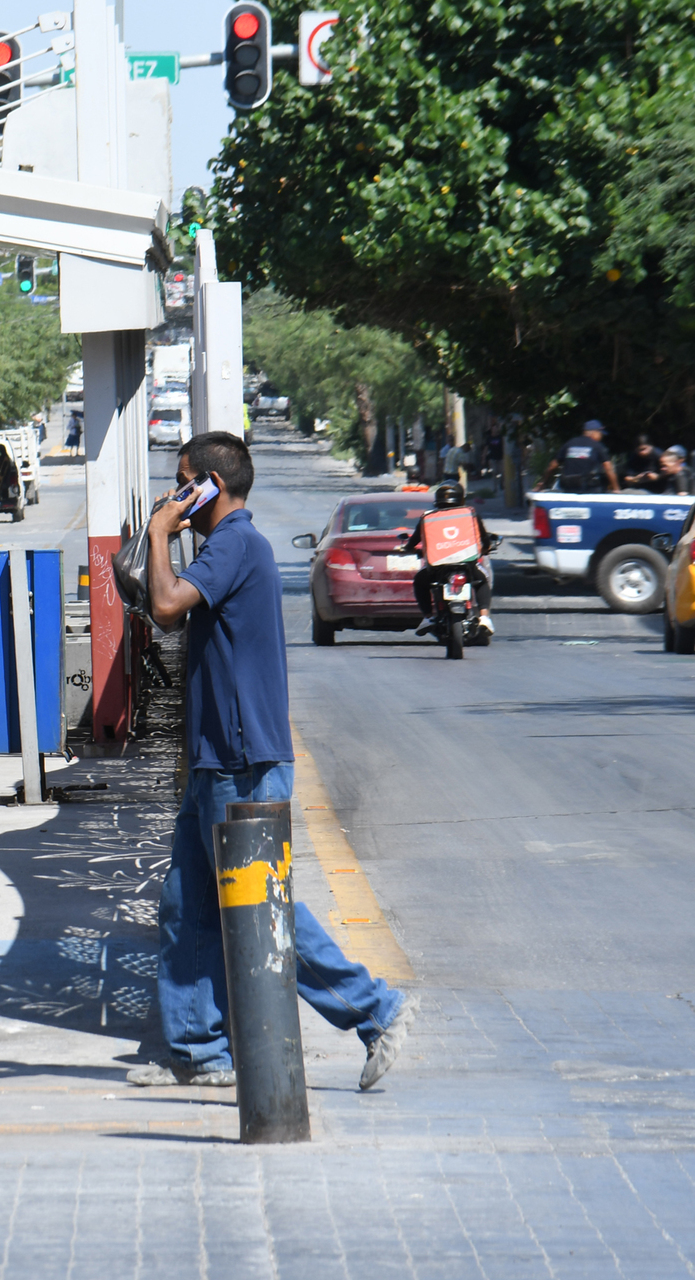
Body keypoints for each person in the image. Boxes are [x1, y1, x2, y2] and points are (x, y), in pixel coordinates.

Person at [135, 431, 418, 1090]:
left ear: (206, 484)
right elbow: (173, 616)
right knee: (188, 907)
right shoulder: (223, 547)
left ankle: (377, 1009)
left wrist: (157, 532)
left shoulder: (237, 544)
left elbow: (167, 606)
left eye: (182, 481)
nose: (175, 494)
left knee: (261, 906)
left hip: (242, 759)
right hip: (216, 758)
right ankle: (200, 1051)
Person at [401, 482, 497, 637]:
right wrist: (487, 547)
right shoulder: (470, 514)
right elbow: (484, 539)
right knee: (482, 579)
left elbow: (413, 542)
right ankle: (484, 617)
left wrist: (408, 548)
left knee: (420, 580)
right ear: (460, 499)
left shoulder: (428, 518)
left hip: (438, 568)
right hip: (467, 566)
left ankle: (428, 617)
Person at [542, 419, 620, 493]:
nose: (601, 437)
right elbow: (608, 468)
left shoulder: (570, 443)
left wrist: (542, 483)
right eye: (600, 434)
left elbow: (552, 466)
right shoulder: (597, 446)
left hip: (567, 486)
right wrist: (616, 489)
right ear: (595, 432)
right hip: (588, 488)